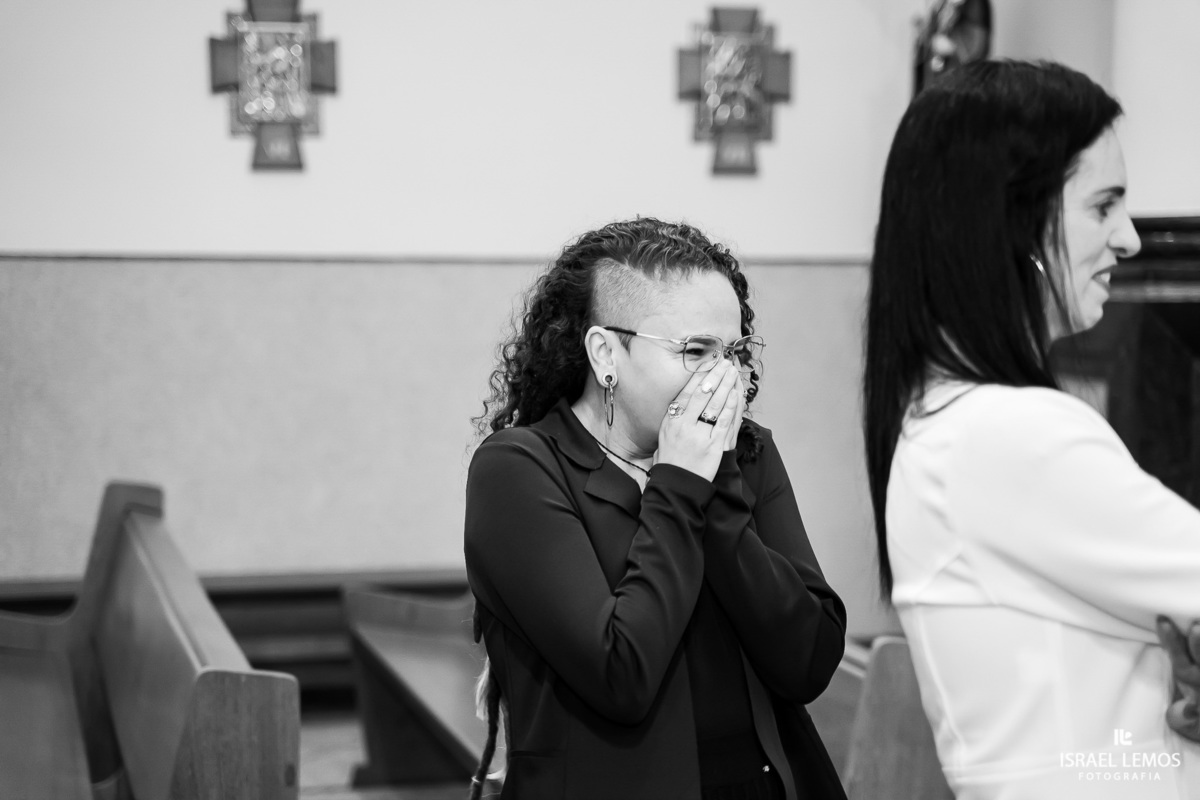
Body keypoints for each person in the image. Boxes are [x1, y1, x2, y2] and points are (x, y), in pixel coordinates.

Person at [863, 59, 1200, 799]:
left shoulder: (949, 422)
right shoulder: (1006, 434)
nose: (1130, 239)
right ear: (1013, 223)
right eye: (1103, 205)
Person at [464, 218, 848, 800]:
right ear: (605, 353)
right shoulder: (518, 469)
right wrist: (679, 484)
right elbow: (621, 675)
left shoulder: (745, 454)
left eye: (733, 352)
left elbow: (808, 661)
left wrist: (718, 487)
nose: (722, 376)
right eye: (695, 350)